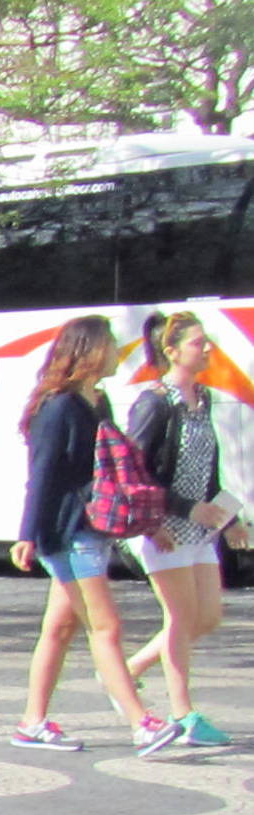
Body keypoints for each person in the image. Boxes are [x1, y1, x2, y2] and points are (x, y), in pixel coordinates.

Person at [9, 312, 180, 755]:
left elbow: (113, 472)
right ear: (88, 352)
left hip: (91, 529)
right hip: (69, 532)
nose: (117, 351)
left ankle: (32, 722)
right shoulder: (60, 406)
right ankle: (142, 723)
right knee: (106, 627)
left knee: (59, 629)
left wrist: (149, 523)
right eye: (110, 344)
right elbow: (41, 474)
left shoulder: (96, 402)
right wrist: (28, 534)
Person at [123, 308, 247, 747]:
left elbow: (205, 470)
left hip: (199, 531)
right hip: (164, 528)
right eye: (199, 343)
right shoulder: (154, 402)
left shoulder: (204, 399)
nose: (208, 348)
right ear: (171, 351)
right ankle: (183, 715)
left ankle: (126, 670)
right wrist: (181, 508)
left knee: (206, 617)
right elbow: (134, 471)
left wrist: (227, 516)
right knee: (179, 618)